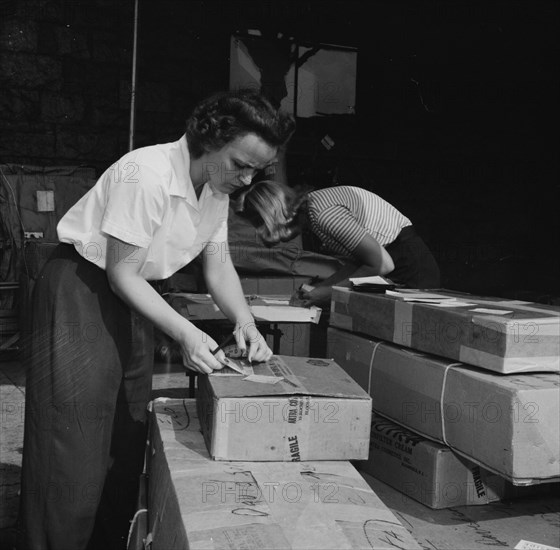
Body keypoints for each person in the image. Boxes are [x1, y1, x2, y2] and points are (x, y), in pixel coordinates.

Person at [17, 90, 295, 550]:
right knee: (72, 440)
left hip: (135, 295)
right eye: (240, 164)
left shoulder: (215, 187)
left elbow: (218, 263)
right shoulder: (145, 172)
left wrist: (245, 322)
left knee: (126, 432)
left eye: (256, 171)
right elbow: (120, 270)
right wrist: (186, 333)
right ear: (211, 139)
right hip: (82, 288)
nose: (246, 179)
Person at [233, 181, 440, 306]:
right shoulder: (316, 210)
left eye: (264, 225)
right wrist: (319, 289)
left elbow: (381, 264)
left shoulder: (323, 214)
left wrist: (326, 292)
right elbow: (359, 263)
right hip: (398, 258)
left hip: (409, 265)